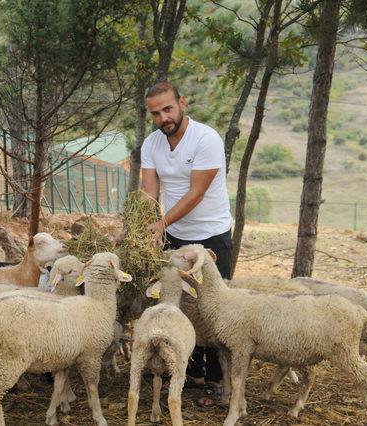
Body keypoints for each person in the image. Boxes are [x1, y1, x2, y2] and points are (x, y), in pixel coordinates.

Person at [140, 81, 233, 406]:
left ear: (182, 103)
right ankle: (190, 373)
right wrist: (142, 227)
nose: (163, 117)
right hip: (176, 236)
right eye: (156, 113)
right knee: (182, 306)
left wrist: (161, 222)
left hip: (211, 234)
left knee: (211, 308)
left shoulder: (206, 139)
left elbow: (197, 192)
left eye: (168, 109)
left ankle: (215, 381)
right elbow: (149, 193)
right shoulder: (151, 145)